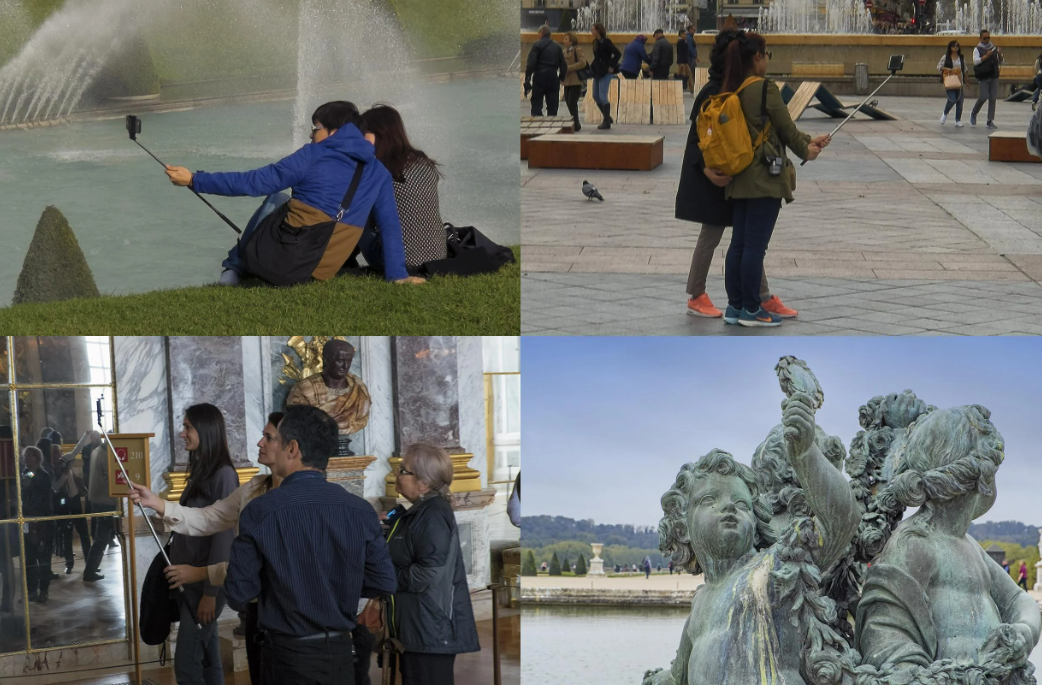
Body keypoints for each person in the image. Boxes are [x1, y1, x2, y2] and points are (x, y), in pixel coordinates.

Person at [644, 393, 859, 685]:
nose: (729, 507)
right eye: (710, 500)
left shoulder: (774, 570)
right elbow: (676, 677)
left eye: (741, 504)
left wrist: (806, 455)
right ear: (682, 527)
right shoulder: (700, 604)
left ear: (756, 523)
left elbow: (841, 520)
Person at [856, 406, 1040, 682]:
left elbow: (1019, 599)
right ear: (979, 479)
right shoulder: (915, 544)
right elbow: (884, 637)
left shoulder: (969, 545)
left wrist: (1024, 631)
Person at [224, 405, 397, 685]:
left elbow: (238, 593)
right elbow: (384, 582)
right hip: (342, 653)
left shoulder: (261, 511)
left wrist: (285, 585)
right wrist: (337, 584)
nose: (264, 444)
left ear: (292, 448)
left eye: (275, 440)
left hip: (286, 656)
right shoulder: (361, 510)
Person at [164, 101, 420, 286]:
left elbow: (254, 182)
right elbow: (390, 226)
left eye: (316, 127)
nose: (311, 133)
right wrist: (397, 275)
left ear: (334, 132)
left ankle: (232, 270)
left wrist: (195, 180)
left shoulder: (313, 154)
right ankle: (236, 269)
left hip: (285, 260)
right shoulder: (379, 172)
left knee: (277, 197)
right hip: (321, 271)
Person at [130, 413, 284, 685]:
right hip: (254, 608)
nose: (259, 442)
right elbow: (208, 518)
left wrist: (207, 585)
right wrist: (157, 503)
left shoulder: (225, 475)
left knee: (188, 663)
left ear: (292, 447)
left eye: (268, 437)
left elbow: (237, 548)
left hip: (285, 616)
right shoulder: (254, 487)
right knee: (219, 659)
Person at [675, 30, 796, 320]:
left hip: (736, 175)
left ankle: (760, 296)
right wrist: (707, 170)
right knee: (714, 234)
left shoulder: (741, 86)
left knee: (748, 240)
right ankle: (697, 294)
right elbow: (697, 139)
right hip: (713, 177)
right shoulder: (714, 90)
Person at [717, 31, 829, 327]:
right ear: (757, 57)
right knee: (755, 248)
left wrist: (808, 140)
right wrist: (806, 151)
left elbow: (771, 129)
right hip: (765, 177)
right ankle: (752, 310)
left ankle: (735, 307)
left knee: (738, 245)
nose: (767, 60)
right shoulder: (765, 88)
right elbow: (786, 128)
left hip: (739, 176)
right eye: (766, 55)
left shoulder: (734, 86)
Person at [387, 443, 480, 685]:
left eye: (403, 470)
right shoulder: (420, 510)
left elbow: (427, 574)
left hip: (429, 629)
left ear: (423, 483)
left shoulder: (433, 514)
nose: (397, 474)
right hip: (418, 626)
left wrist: (386, 577)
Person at [167, 404, 239, 685]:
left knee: (187, 663)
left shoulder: (223, 475)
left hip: (204, 584)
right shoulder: (202, 470)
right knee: (208, 657)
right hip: (190, 581)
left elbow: (223, 535)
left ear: (206, 431)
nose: (182, 433)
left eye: (188, 427)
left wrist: (211, 592)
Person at [359, 105, 448, 272]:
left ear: (379, 134)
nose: (359, 139)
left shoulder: (378, 169)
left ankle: (339, 262)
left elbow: (369, 219)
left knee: (354, 216)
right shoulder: (423, 162)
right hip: (437, 256)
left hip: (398, 261)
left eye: (364, 133)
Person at [50, 432, 92, 574]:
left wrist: (85, 436)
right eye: (54, 453)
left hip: (74, 500)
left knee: (84, 532)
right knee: (66, 535)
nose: (57, 455)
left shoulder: (66, 459)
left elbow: (76, 450)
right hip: (62, 503)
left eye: (58, 452)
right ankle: (69, 564)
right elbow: (55, 487)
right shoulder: (50, 468)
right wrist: (64, 475)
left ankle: (90, 563)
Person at [21, 446, 54, 602]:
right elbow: (24, 489)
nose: (26, 458)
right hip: (28, 519)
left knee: (43, 557)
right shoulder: (27, 473)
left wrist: (29, 484)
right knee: (30, 558)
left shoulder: (44, 475)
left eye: (30, 455)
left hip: (42, 521)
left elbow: (42, 497)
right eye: (25, 455)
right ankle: (31, 590)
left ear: (37, 458)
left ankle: (44, 590)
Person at [524, 25, 567, 117]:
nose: (538, 35)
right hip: (552, 76)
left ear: (542, 33)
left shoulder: (536, 45)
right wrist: (561, 78)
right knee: (553, 104)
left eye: (538, 33)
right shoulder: (557, 46)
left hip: (539, 76)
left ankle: (538, 120)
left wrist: (528, 78)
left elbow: (531, 63)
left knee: (536, 102)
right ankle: (551, 120)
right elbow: (563, 64)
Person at [590, 24, 621, 130]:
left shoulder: (606, 42)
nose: (591, 31)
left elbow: (617, 53)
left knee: (603, 96)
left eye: (593, 30)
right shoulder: (595, 42)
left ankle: (606, 122)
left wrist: (611, 66)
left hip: (605, 71)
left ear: (598, 30)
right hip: (598, 71)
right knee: (595, 95)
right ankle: (607, 117)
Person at [970, 29, 1002, 129]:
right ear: (980, 38)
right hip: (984, 75)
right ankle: (974, 113)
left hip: (994, 75)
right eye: (985, 38)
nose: (987, 40)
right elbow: (975, 62)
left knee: (993, 98)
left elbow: (1001, 61)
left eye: (988, 38)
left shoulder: (993, 48)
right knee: (983, 97)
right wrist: (985, 56)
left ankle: (990, 120)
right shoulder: (977, 49)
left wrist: (999, 54)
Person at [561, 32, 588, 132]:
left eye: (566, 39)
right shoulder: (564, 52)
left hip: (576, 80)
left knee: (572, 102)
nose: (564, 41)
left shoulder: (578, 50)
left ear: (571, 41)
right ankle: (575, 122)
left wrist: (569, 68)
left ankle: (576, 123)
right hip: (567, 80)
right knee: (568, 102)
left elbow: (582, 63)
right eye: (564, 39)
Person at [938, 40, 966, 126]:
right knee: (952, 99)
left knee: (960, 101)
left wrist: (967, 79)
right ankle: (945, 113)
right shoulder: (946, 57)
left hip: (959, 81)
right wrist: (947, 69)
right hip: (950, 80)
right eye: (953, 46)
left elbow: (965, 68)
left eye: (957, 46)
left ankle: (958, 120)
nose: (955, 47)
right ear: (950, 47)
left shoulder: (961, 57)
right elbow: (939, 67)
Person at [685, 25, 699, 92]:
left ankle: (691, 87)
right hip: (690, 58)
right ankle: (691, 87)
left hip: (690, 58)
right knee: (692, 73)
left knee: (691, 73)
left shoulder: (689, 37)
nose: (694, 31)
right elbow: (690, 49)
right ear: (689, 30)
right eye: (693, 30)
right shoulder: (689, 38)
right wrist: (695, 56)